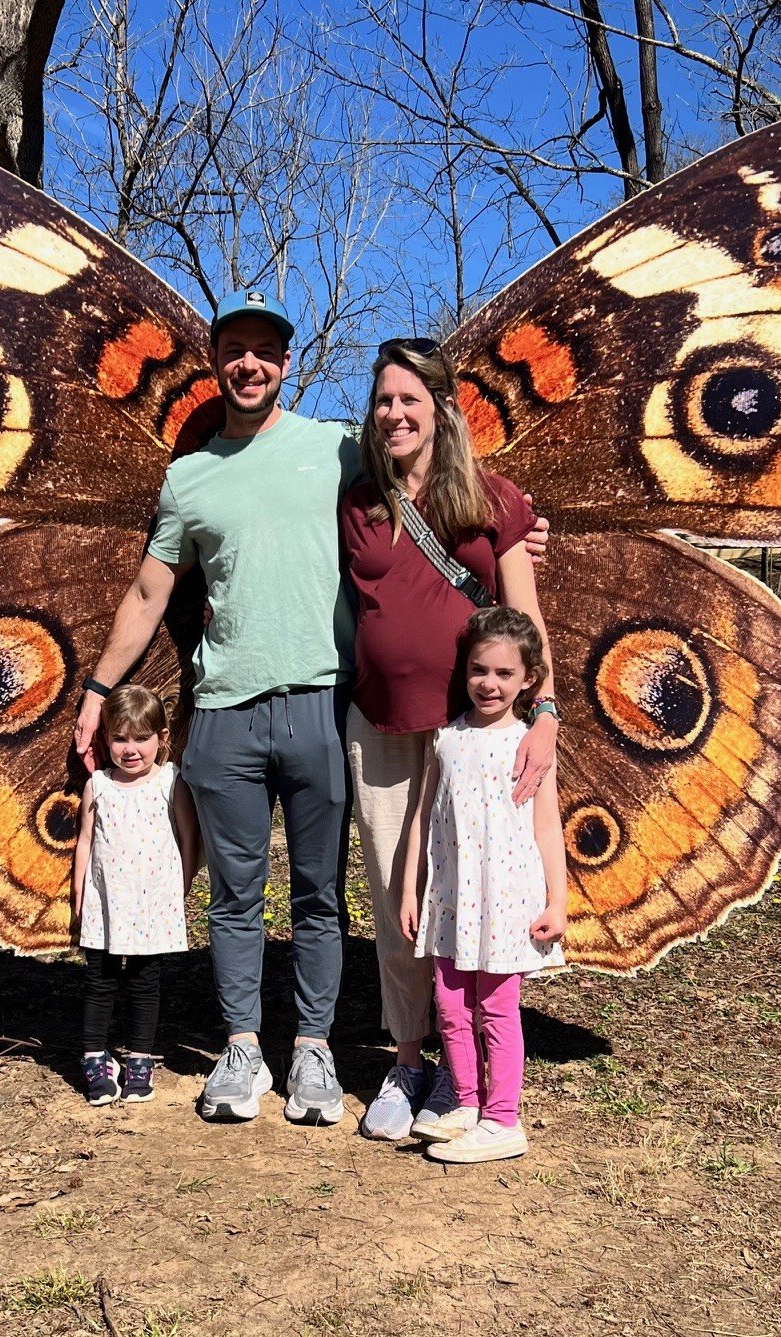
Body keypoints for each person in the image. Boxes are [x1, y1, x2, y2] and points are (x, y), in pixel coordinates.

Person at [73, 289, 360, 1126]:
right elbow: (148, 590)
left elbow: (431, 494)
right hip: (224, 711)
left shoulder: (338, 447)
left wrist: (516, 531)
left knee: (317, 893)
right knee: (234, 895)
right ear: (215, 361)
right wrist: (95, 692)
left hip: (319, 701)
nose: (248, 363)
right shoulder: (187, 476)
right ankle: (242, 1049)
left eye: (263, 350)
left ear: (285, 362)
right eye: (233, 348)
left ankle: (312, 1049)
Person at [340, 339, 560, 1142]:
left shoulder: (492, 499)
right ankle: (411, 1061)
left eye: (409, 400)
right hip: (385, 730)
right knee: (408, 908)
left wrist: (546, 714)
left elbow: (525, 611)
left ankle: (473, 1080)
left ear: (439, 408)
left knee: (480, 899)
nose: (393, 414)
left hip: (481, 734)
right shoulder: (357, 500)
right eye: (382, 401)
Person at [399, 606, 568, 1163]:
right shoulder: (446, 739)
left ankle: (503, 1119)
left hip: (505, 899)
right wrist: (409, 889)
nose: (488, 684)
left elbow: (547, 826)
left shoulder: (529, 744)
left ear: (528, 681)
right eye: (478, 670)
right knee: (448, 1004)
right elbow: (423, 817)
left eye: (503, 674)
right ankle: (466, 1105)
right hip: (450, 897)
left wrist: (558, 900)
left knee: (497, 1008)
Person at [72, 685, 199, 1106]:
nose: (130, 749)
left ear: (162, 738)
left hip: (152, 904)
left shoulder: (169, 781)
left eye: (141, 738)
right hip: (105, 902)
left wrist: (179, 889)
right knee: (99, 980)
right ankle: (95, 1057)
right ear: (105, 740)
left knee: (146, 982)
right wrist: (78, 894)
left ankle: (139, 1059)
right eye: (119, 738)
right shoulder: (99, 785)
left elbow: (187, 838)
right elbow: (86, 843)